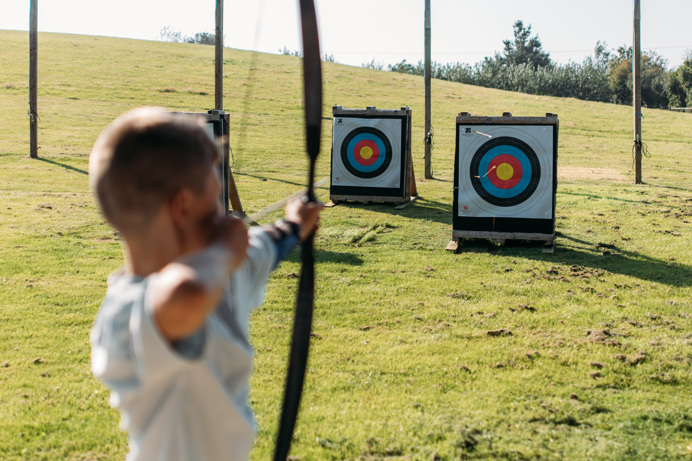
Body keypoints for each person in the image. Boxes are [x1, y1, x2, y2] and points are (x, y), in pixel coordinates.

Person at [88, 107, 321, 461]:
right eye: (215, 201)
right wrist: (226, 251)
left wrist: (293, 226)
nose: (224, 216)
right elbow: (186, 295)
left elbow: (264, 247)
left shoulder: (218, 270)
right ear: (182, 207)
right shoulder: (126, 312)